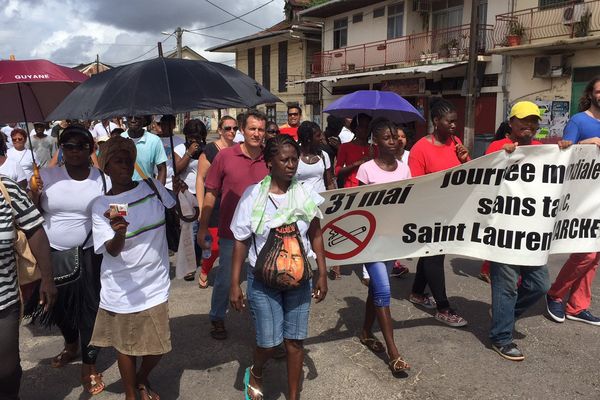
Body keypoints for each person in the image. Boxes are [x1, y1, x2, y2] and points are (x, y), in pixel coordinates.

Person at [229, 134, 328, 400]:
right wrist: (234, 283)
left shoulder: (306, 195)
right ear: (269, 163)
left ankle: (293, 396)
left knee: (295, 342)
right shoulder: (253, 196)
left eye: (294, 159)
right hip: (262, 281)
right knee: (269, 342)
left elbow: (316, 234)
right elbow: (241, 241)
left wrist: (322, 271)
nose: (291, 164)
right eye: (284, 159)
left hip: (299, 280)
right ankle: (257, 370)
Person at [90, 136, 177, 400]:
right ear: (106, 167)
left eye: (129, 159)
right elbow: (113, 250)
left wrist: (180, 192)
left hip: (155, 282)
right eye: (118, 160)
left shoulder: (152, 187)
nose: (125, 165)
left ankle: (141, 378)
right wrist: (119, 234)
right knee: (125, 346)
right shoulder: (102, 205)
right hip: (121, 286)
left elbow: (179, 213)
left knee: (160, 345)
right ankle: (131, 392)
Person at [488, 101, 572, 361]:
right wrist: (502, 157)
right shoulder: (496, 148)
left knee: (539, 285)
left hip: (532, 236)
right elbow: (483, 183)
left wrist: (566, 151)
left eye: (534, 121)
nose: (529, 126)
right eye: (524, 120)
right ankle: (501, 338)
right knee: (506, 288)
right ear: (511, 123)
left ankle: (505, 315)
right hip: (504, 234)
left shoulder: (543, 151)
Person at [29, 125, 108, 394]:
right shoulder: (47, 175)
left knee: (89, 308)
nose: (74, 151)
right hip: (50, 253)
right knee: (57, 306)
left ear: (91, 149)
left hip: (88, 253)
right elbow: (34, 212)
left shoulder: (101, 179)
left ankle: (89, 364)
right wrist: (34, 192)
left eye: (81, 146)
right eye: (68, 146)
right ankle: (71, 344)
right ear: (61, 148)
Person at [197, 109, 269, 340]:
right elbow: (211, 192)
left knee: (263, 278)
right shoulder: (225, 157)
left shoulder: (270, 157)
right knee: (227, 277)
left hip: (262, 233)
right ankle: (217, 316)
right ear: (242, 130)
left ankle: (264, 323)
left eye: (261, 129)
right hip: (230, 232)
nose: (257, 134)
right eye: (252, 129)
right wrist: (203, 226)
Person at [407, 98, 469, 327]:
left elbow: (466, 174)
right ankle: (443, 307)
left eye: (455, 121)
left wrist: (465, 159)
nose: (454, 125)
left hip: (450, 210)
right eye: (449, 121)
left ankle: (416, 292)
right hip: (428, 211)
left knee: (431, 254)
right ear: (436, 121)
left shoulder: (456, 142)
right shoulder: (420, 149)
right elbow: (416, 185)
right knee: (434, 255)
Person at [356, 118, 411, 374]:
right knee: (384, 290)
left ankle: (366, 332)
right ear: (376, 142)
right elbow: (357, 209)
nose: (394, 141)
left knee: (377, 288)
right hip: (371, 241)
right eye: (387, 138)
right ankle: (394, 353)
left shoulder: (404, 169)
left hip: (392, 238)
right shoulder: (366, 170)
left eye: (396, 137)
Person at [546, 77, 600, 327]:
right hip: (582, 199)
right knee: (586, 254)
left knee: (595, 255)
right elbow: (564, 153)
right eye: (599, 91)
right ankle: (555, 294)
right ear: (591, 94)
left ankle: (578, 306)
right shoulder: (579, 121)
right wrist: (584, 144)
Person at [0, 175, 56, 400]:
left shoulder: (7, 189)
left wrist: (47, 278)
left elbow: (35, 231)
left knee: (6, 370)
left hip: (4, 298)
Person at [194, 116, 237, 289]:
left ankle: (229, 274)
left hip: (232, 201)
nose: (232, 132)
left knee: (232, 242)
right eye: (228, 128)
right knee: (213, 245)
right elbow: (200, 179)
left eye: (235, 128)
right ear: (220, 130)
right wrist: (201, 204)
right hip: (214, 203)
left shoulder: (238, 149)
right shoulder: (210, 151)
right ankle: (205, 269)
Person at [332, 113, 374, 281]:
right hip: (351, 191)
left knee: (369, 230)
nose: (365, 130)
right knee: (347, 228)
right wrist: (358, 163)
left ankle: (367, 270)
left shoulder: (375, 148)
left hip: (371, 193)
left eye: (368, 127)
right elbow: (337, 171)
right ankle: (337, 262)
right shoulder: (346, 147)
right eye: (362, 126)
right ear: (355, 128)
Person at [174, 119, 207, 281]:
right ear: (187, 136)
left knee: (202, 227)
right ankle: (189, 267)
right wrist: (189, 153)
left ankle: (199, 259)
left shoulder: (206, 149)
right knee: (189, 229)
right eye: (192, 138)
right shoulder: (180, 148)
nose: (195, 141)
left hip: (203, 193)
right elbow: (177, 169)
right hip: (186, 194)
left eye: (199, 138)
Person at [121, 115, 167, 184]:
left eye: (137, 117)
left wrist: (159, 191)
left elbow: (162, 169)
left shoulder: (154, 141)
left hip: (147, 192)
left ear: (144, 120)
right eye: (130, 117)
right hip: (124, 191)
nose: (133, 120)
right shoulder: (120, 139)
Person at [296, 121, 335, 193]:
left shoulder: (323, 156)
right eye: (318, 136)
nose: (321, 138)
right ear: (308, 139)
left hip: (322, 202)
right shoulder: (295, 157)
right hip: (301, 202)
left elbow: (330, 183)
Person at [156, 115, 185, 194]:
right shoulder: (155, 140)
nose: (165, 127)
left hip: (172, 185)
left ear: (174, 125)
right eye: (163, 124)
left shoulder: (181, 142)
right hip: (156, 182)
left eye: (168, 124)